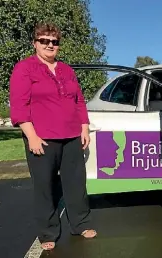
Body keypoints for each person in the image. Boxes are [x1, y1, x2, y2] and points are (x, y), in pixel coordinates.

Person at [9, 22, 97, 251]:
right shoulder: (24, 69)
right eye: (44, 41)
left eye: (54, 42)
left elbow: (78, 100)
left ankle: (80, 224)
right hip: (42, 138)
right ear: (35, 43)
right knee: (45, 187)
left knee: (76, 184)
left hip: (71, 137)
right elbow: (19, 107)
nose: (50, 45)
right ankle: (49, 231)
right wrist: (32, 136)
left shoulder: (66, 70)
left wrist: (84, 127)